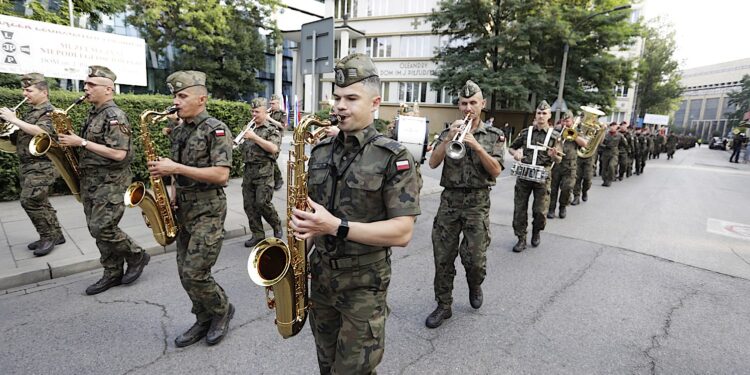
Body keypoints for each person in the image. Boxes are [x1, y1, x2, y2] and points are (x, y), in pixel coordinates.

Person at [289, 53, 421, 374]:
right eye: (336, 97)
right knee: (327, 366)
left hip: (364, 286)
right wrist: (292, 265)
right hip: (320, 281)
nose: (340, 106)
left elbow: (402, 232)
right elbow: (309, 221)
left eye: (351, 98)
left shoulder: (394, 157)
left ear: (375, 103)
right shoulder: (319, 151)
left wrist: (335, 226)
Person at [148, 71, 234, 347]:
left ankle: (222, 311)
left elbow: (222, 175)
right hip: (183, 207)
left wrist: (176, 168)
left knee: (196, 272)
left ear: (202, 98)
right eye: (175, 95)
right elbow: (176, 172)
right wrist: (171, 195)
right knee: (184, 272)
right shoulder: (181, 129)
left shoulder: (216, 129)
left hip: (208, 209)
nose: (176, 101)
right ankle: (202, 317)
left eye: (182, 96)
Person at [57, 66, 149, 295]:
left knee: (103, 227)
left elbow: (119, 153)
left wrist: (82, 143)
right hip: (91, 180)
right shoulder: (94, 113)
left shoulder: (114, 116)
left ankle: (137, 254)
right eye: (86, 84)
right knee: (95, 228)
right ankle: (112, 272)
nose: (86, 89)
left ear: (108, 89)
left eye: (91, 85)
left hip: (111, 181)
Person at [424, 80, 504, 329]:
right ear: (459, 105)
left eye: (473, 103)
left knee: (475, 259)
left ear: (483, 104)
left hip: (477, 202)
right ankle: (443, 304)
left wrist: (477, 146)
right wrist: (449, 139)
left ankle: (474, 282)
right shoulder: (449, 130)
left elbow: (497, 170)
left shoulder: (494, 135)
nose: (468, 107)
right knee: (443, 256)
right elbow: (433, 163)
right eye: (464, 103)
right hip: (450, 200)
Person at [0, 73, 65, 256]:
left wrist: (14, 119)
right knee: (41, 201)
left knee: (29, 200)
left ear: (43, 92)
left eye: (29, 90)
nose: (24, 94)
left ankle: (47, 238)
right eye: (23, 90)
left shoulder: (50, 112)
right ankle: (57, 234)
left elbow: (41, 132)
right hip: (30, 165)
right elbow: (22, 135)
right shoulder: (32, 111)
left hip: (43, 165)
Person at [508, 101, 562, 252]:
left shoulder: (555, 136)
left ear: (549, 115)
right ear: (535, 115)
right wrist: (516, 153)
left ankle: (536, 231)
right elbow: (512, 147)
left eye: (544, 113)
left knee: (540, 211)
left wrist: (554, 156)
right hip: (524, 175)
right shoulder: (526, 132)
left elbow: (559, 159)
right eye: (539, 113)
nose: (541, 116)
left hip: (542, 176)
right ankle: (521, 238)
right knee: (520, 209)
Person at [241, 97, 283, 248]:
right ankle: (257, 234)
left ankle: (276, 225)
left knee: (262, 203)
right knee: (249, 205)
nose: (254, 114)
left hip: (264, 171)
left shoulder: (271, 129)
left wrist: (255, 137)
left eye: (257, 111)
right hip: (248, 171)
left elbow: (273, 148)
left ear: (265, 112)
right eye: (252, 111)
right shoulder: (250, 127)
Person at [548, 110, 587, 218]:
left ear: (572, 121)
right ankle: (551, 209)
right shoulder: (556, 130)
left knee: (567, 187)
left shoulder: (578, 130)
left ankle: (563, 206)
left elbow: (585, 144)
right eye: (563, 121)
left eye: (567, 121)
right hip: (556, 164)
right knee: (553, 188)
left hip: (570, 165)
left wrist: (573, 135)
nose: (565, 123)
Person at [267, 94, 288, 190]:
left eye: (274, 103)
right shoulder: (269, 112)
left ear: (278, 103)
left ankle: (278, 178)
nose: (272, 105)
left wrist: (269, 118)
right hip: (267, 135)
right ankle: (273, 178)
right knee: (267, 156)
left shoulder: (282, 113)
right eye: (271, 103)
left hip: (277, 136)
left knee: (272, 156)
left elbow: (282, 126)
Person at [599, 121, 622, 187]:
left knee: (611, 166)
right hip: (606, 153)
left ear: (616, 127)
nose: (612, 128)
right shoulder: (605, 135)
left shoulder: (619, 135)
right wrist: (605, 146)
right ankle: (604, 180)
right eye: (611, 126)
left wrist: (620, 151)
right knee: (604, 168)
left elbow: (624, 144)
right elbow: (600, 143)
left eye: (614, 126)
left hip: (614, 154)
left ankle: (609, 180)